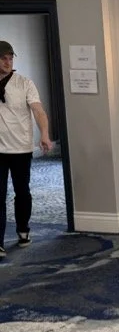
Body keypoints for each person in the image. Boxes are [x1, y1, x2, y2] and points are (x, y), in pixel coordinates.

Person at [0, 40, 54, 258]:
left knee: (22, 192)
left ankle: (23, 230)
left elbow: (38, 111)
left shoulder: (24, 83)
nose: (8, 62)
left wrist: (45, 134)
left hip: (20, 148)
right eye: (3, 58)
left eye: (10, 58)